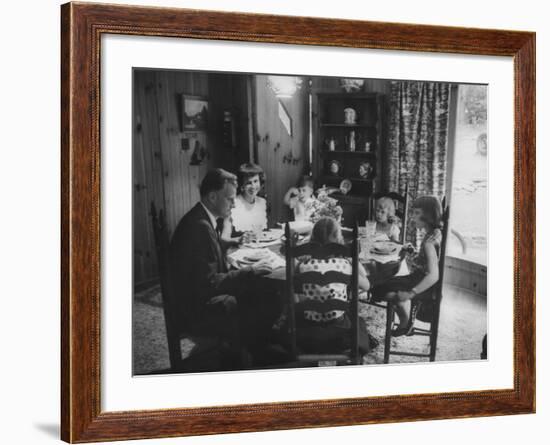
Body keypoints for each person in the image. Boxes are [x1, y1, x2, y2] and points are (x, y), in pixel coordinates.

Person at [169, 169, 279, 363]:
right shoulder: (200, 227)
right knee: (262, 292)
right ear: (212, 196)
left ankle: (256, 345)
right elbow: (209, 283)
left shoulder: (200, 217)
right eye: (229, 199)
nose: (234, 203)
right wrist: (250, 270)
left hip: (193, 295)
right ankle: (253, 353)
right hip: (195, 309)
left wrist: (230, 243)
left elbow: (207, 252)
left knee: (259, 290)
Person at [293, 217, 373, 354]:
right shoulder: (345, 265)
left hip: (308, 332)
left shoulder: (302, 266)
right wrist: (353, 259)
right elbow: (366, 286)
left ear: (312, 239)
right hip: (338, 331)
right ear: (338, 240)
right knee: (358, 322)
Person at [371, 195, 442, 337]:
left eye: (417, 213)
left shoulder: (429, 243)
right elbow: (427, 262)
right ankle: (404, 312)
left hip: (422, 283)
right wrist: (413, 252)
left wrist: (410, 293)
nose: (412, 217)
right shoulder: (436, 233)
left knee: (377, 289)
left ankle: (405, 318)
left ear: (428, 215)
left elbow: (434, 275)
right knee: (382, 284)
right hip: (419, 277)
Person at [221, 163, 267, 242]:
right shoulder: (233, 204)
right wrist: (239, 239)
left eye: (255, 181)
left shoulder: (261, 202)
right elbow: (223, 238)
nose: (253, 186)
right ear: (242, 186)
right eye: (248, 183)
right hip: (237, 251)